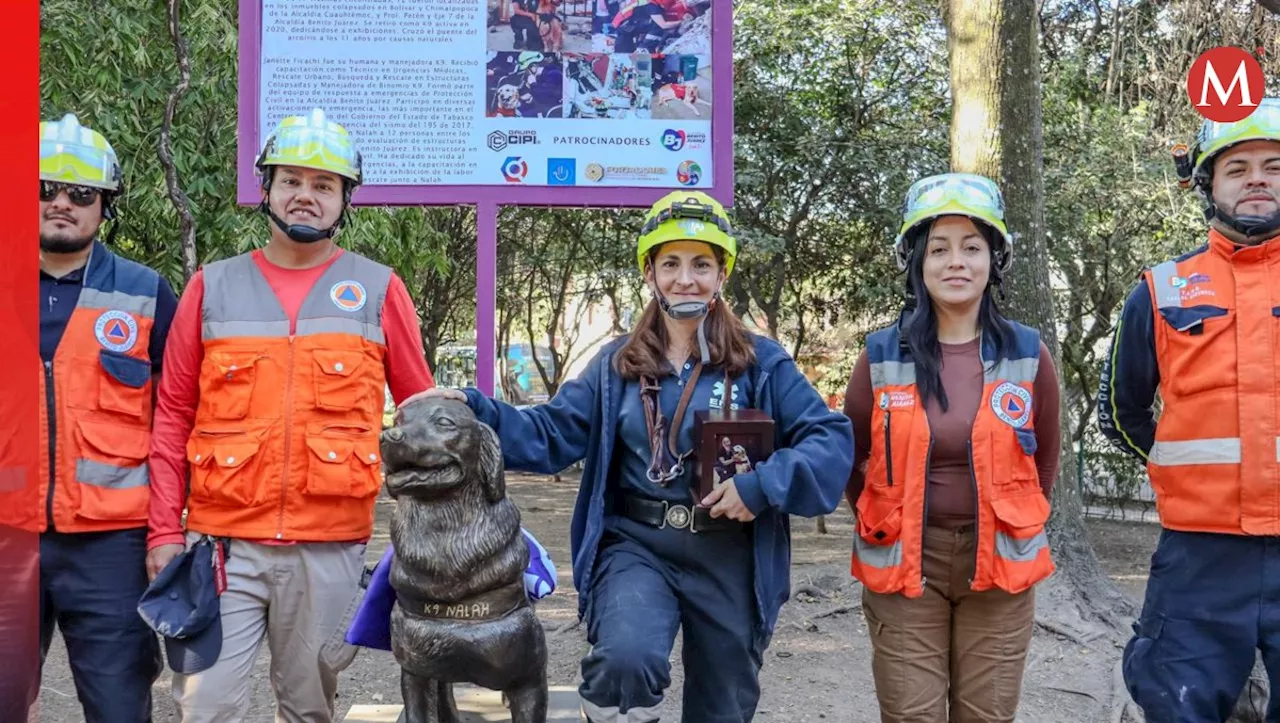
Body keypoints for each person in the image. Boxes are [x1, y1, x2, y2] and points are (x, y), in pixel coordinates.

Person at [405, 190, 853, 723]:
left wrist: (762, 485)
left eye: (701, 264)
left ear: (722, 274)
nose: (686, 278)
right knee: (624, 662)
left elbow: (828, 438)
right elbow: (551, 433)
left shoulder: (762, 364)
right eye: (671, 264)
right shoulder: (616, 364)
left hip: (730, 553)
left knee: (724, 702)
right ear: (649, 272)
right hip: (638, 543)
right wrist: (479, 411)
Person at [145, 108, 436, 722]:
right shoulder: (211, 287)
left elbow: (422, 419)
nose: (306, 195)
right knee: (206, 708)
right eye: (292, 181)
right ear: (267, 189)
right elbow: (171, 415)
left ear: (344, 199)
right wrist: (166, 533)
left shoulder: (381, 289)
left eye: (323, 184)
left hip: (328, 550)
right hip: (223, 547)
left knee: (309, 709)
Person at [844, 172, 1061, 723]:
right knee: (911, 713)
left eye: (972, 247)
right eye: (938, 249)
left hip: (999, 566)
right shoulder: (880, 356)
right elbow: (852, 455)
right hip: (905, 563)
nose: (956, 262)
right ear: (916, 262)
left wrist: (1008, 517)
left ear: (996, 259)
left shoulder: (1028, 354)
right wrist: (884, 519)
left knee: (986, 716)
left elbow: (1046, 461)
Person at [1098, 97, 1280, 722]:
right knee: (1177, 706)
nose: (1257, 177)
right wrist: (1186, 465)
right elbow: (1122, 412)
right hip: (1198, 557)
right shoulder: (1160, 289)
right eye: (1238, 167)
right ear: (1209, 185)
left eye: (1274, 165)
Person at [29, 113, 178, 722]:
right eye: (43, 188)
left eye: (80, 193)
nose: (61, 203)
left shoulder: (146, 294)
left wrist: (169, 531)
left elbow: (176, 422)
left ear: (105, 205)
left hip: (112, 548)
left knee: (119, 708)